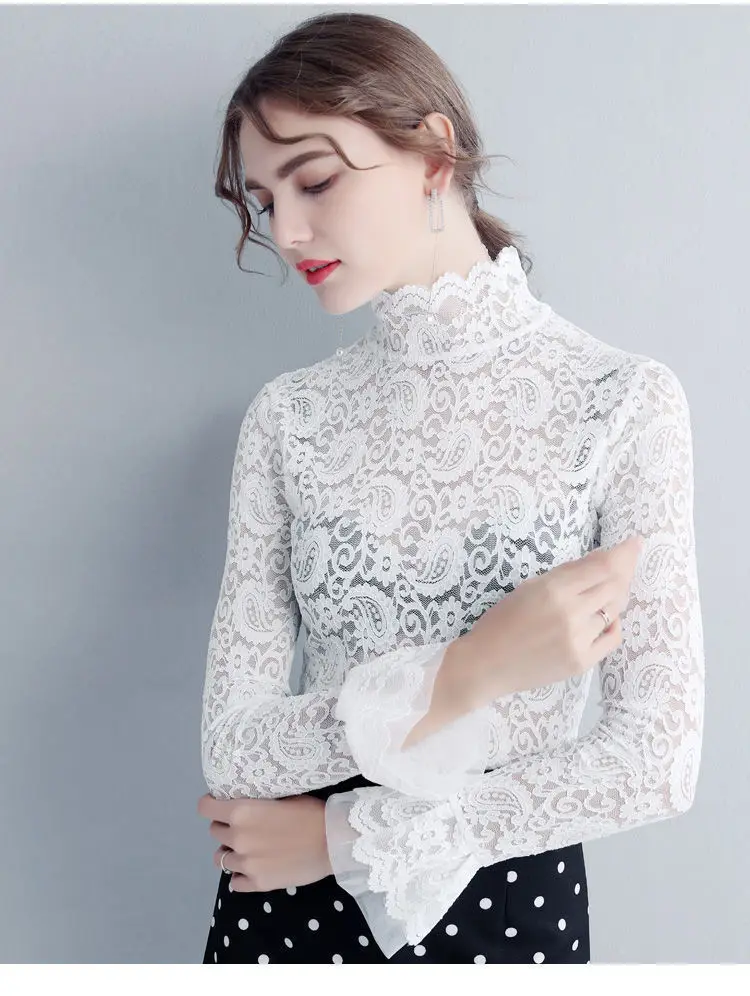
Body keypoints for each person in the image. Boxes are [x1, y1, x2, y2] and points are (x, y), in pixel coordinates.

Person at [198, 11, 704, 964]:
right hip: (281, 908)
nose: (288, 231)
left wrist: (347, 841)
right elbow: (235, 748)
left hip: (498, 901)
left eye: (315, 180)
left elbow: (654, 761)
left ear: (433, 155)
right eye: (265, 200)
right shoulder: (289, 418)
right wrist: (469, 672)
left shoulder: (620, 401)